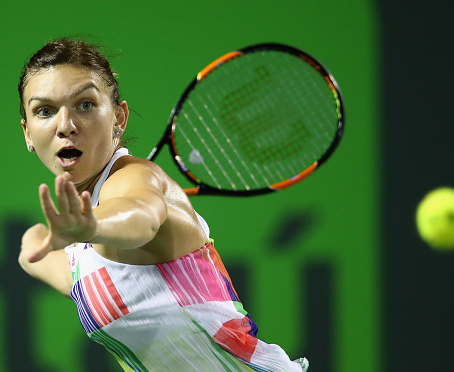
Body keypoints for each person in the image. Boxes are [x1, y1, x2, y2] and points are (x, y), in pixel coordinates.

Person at [17, 37, 308, 372]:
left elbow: (142, 217)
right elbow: (40, 257)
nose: (65, 125)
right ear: (28, 133)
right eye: (45, 111)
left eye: (85, 105)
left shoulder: (135, 179)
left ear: (118, 118)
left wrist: (94, 225)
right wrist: (34, 240)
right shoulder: (83, 259)